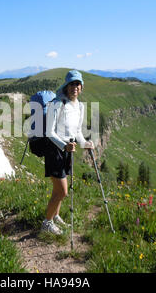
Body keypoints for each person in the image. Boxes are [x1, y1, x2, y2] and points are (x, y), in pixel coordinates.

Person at [41, 70, 94, 235]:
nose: (75, 87)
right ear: (66, 86)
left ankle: (55, 215)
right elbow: (49, 132)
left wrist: (84, 143)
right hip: (54, 150)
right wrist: (64, 146)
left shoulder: (80, 106)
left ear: (81, 87)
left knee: (58, 190)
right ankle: (46, 223)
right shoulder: (56, 104)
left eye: (78, 84)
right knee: (62, 191)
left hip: (67, 150)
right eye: (72, 84)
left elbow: (77, 131)